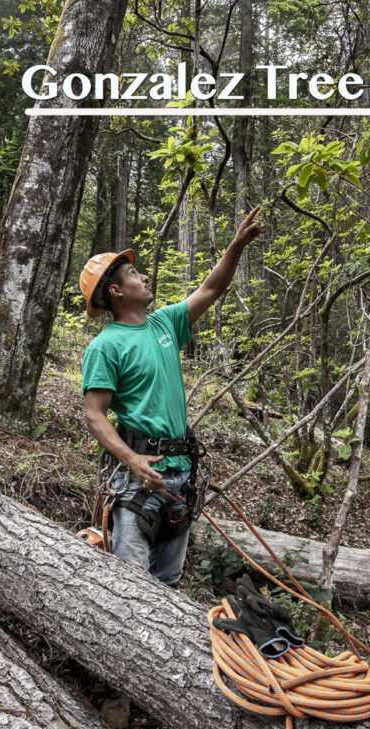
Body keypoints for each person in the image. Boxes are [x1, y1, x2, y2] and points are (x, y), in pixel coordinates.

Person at [80, 206, 261, 584]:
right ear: (116, 291)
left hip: (180, 474)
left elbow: (211, 288)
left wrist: (237, 246)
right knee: (133, 585)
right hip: (138, 480)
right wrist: (132, 460)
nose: (143, 276)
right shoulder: (106, 347)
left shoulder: (165, 323)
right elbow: (95, 414)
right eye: (133, 274)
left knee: (169, 582)